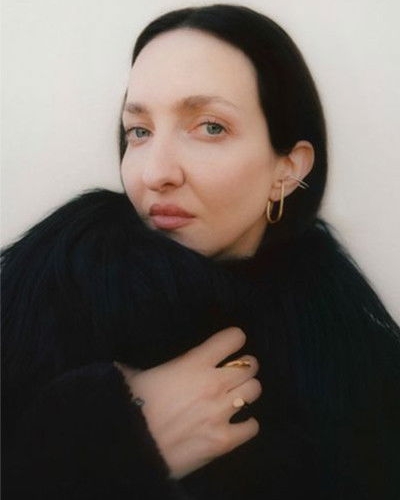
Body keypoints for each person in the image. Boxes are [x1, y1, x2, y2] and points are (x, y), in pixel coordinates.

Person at [2, 4, 400, 499]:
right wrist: (108, 446)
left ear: (288, 169)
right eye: (139, 131)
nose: (156, 173)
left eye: (210, 127)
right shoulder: (55, 292)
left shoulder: (346, 351)